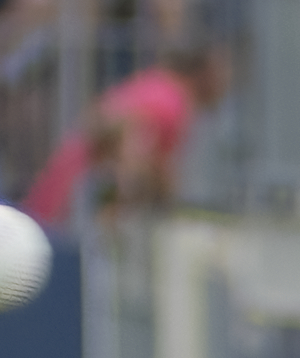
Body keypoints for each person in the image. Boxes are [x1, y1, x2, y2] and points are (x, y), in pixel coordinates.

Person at [19, 47, 227, 226]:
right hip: (70, 211)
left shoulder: (160, 86)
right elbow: (117, 129)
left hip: (68, 201)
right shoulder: (170, 100)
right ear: (203, 73)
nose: (226, 83)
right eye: (221, 73)